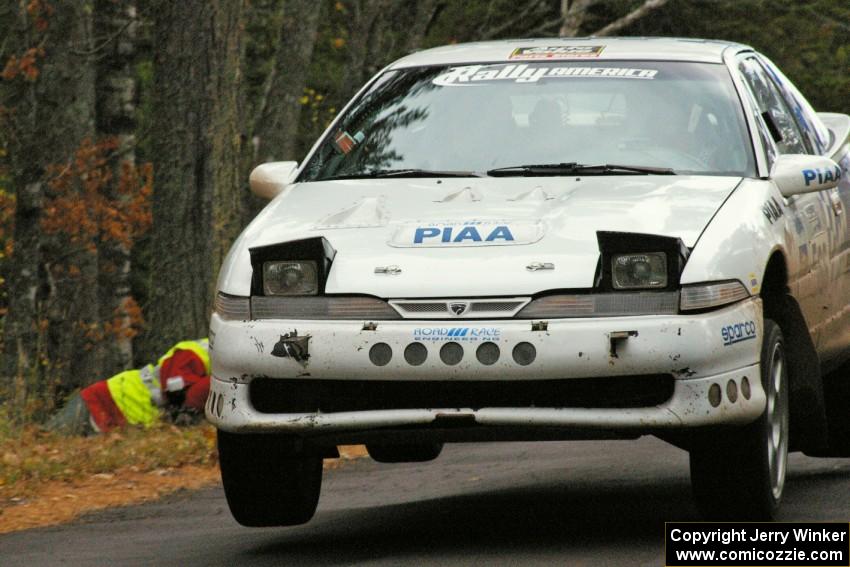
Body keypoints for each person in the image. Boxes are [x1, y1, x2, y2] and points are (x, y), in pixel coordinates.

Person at [45, 338, 210, 435]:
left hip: (123, 424)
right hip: (103, 400)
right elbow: (181, 396)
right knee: (47, 441)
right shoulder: (198, 352)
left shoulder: (209, 355)